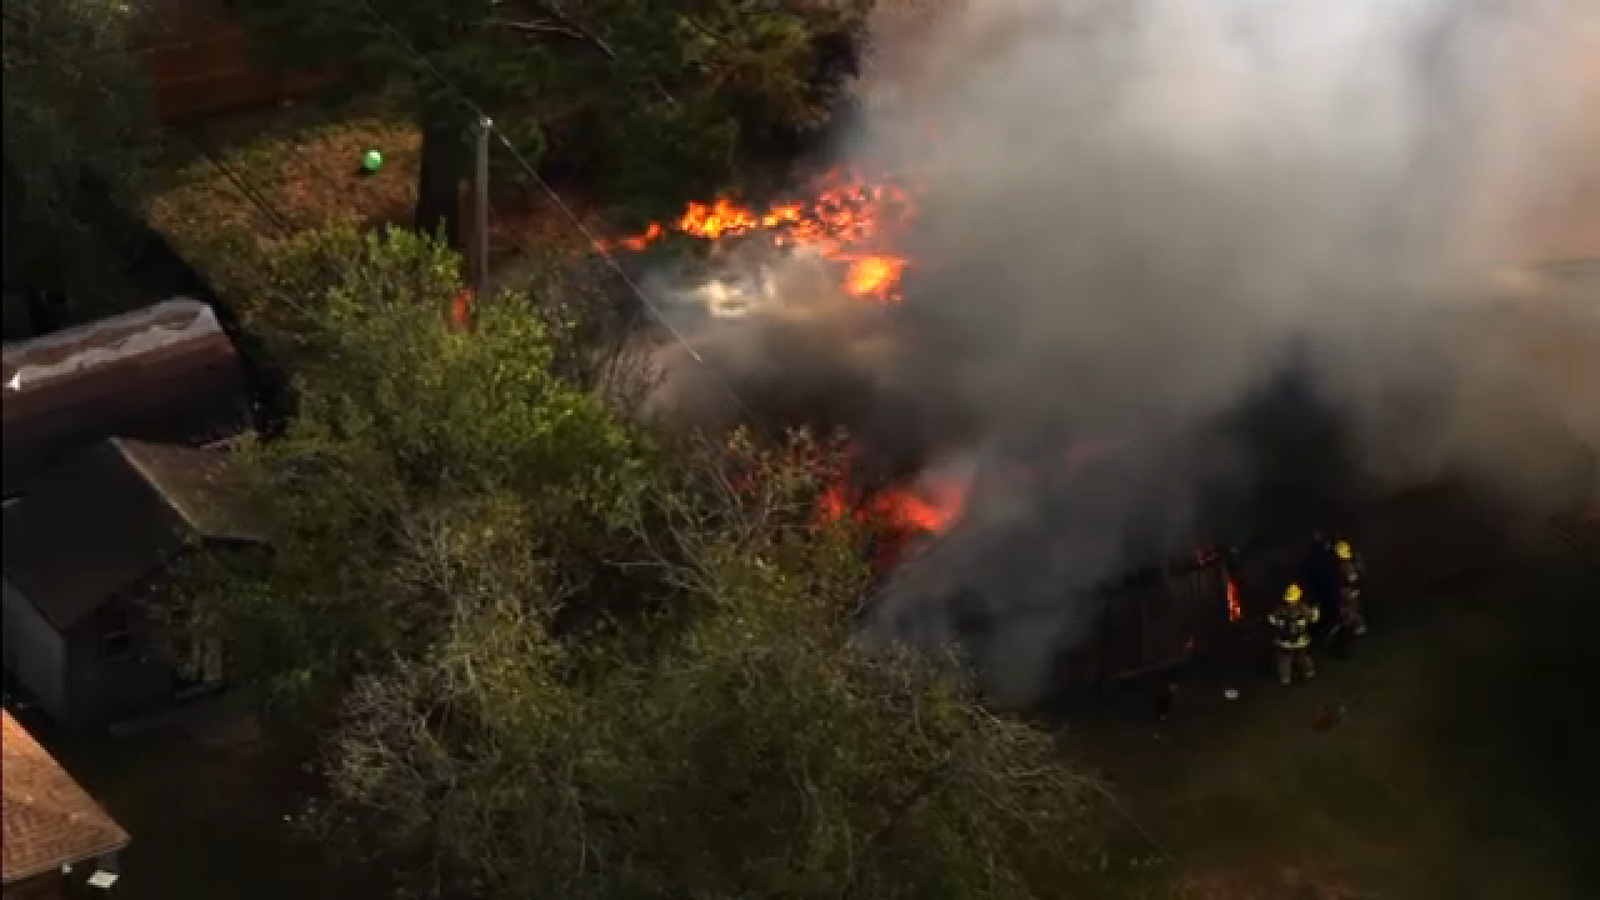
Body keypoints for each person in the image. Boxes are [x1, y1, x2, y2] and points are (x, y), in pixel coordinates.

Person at [1268, 583, 1320, 685]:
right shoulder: (1282, 609)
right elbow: (1272, 619)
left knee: (1301, 657)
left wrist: (1315, 611)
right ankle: (1287, 677)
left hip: (1299, 640)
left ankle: (1307, 672)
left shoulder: (1303, 608)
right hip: (1287, 641)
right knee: (1286, 659)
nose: (1291, 603)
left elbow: (1313, 618)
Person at [1332, 539, 1369, 637]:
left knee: (1352, 610)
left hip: (1350, 591)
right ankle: (1348, 628)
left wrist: (1349, 591)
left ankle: (1358, 628)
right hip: (1347, 591)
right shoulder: (1342, 565)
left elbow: (1355, 578)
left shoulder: (1350, 565)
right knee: (1346, 611)